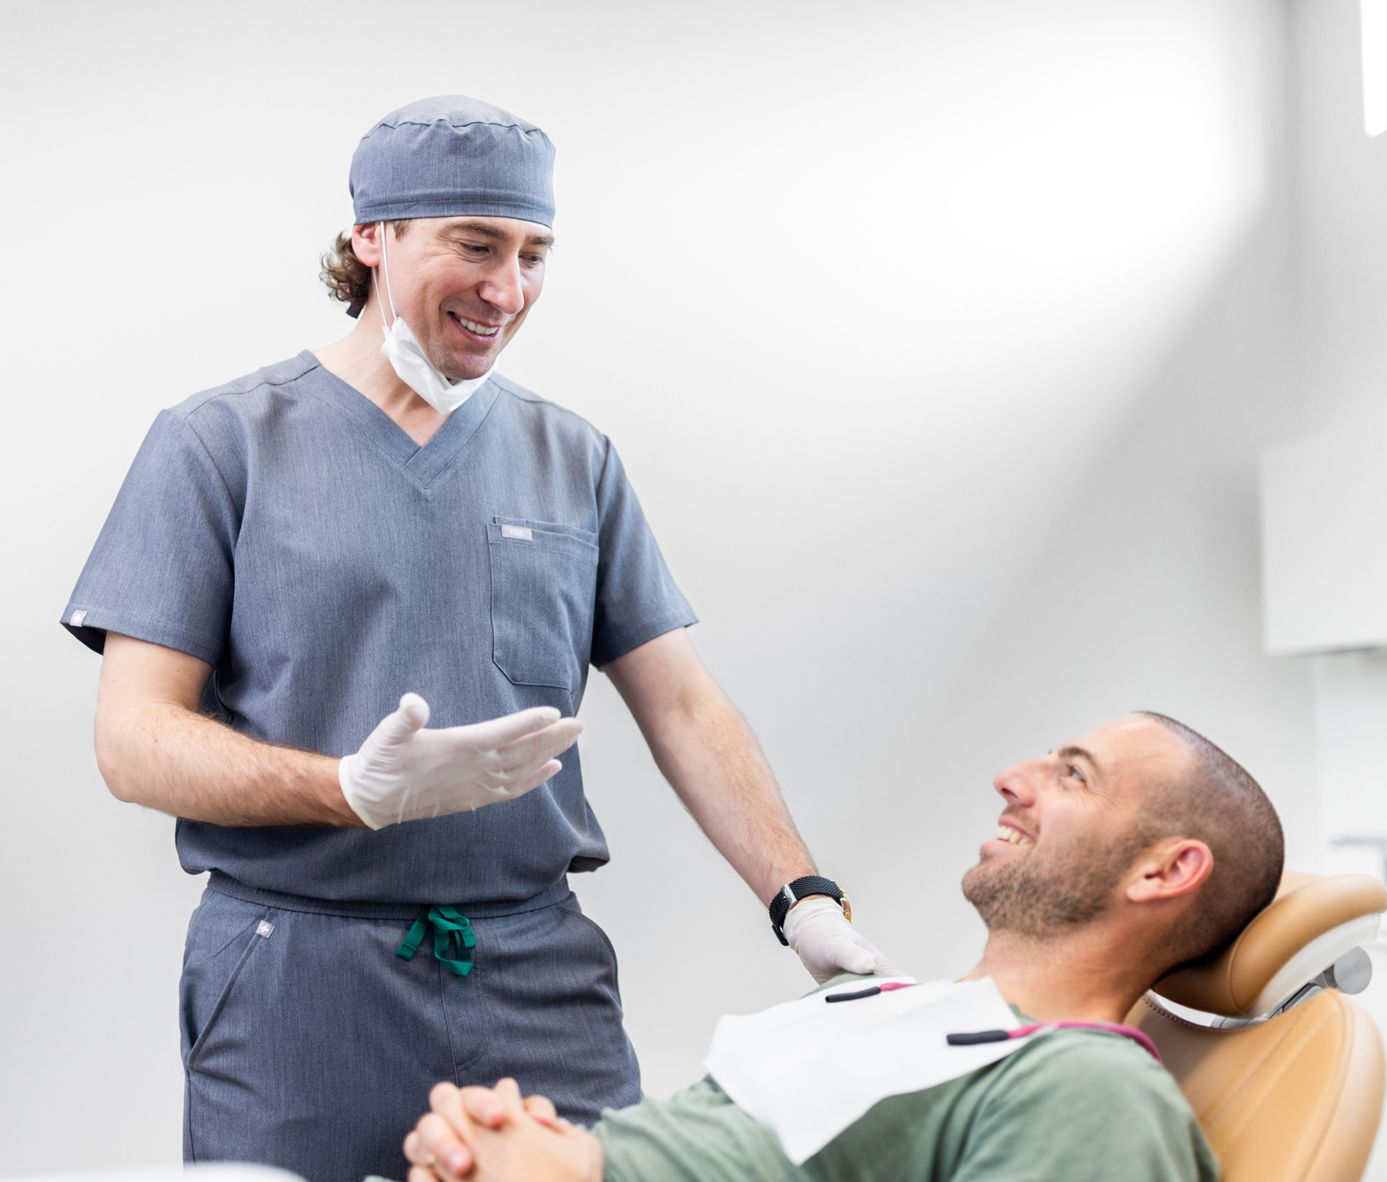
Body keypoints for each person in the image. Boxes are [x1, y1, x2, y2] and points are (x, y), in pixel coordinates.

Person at [60, 95, 893, 1182]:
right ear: (372, 238)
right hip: (295, 978)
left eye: (534, 253)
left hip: (532, 974)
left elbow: (682, 703)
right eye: (475, 245)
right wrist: (346, 788)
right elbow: (133, 741)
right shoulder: (220, 446)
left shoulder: (571, 458)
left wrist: (802, 900)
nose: (508, 290)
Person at [391, 711, 1284, 1182]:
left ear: (1166, 872)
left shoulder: (1086, 1087)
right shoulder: (899, 1006)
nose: (1012, 780)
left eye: (1072, 775)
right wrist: (518, 1144)